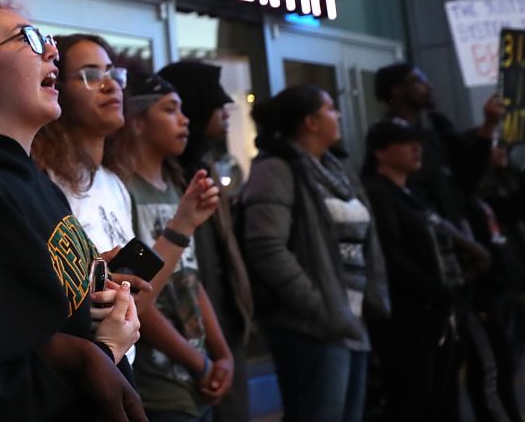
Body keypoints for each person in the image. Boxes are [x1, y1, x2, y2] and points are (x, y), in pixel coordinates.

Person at [0, 3, 145, 422]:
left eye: (49, 40)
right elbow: (6, 383)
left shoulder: (30, 176)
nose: (52, 51)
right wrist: (107, 349)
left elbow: (56, 320)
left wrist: (102, 294)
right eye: (30, 38)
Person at [33, 36, 219, 367]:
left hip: (122, 369)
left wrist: (183, 224)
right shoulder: (44, 180)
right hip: (77, 374)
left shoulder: (114, 184)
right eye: (90, 74)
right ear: (57, 87)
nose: (110, 85)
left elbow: (139, 302)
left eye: (113, 74)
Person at [239, 85, 389, 422]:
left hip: (351, 318)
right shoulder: (275, 169)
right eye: (331, 109)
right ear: (310, 122)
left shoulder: (338, 169)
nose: (337, 115)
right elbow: (266, 247)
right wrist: (320, 307)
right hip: (310, 324)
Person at [374, 62, 512, 422]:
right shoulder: (387, 182)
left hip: (458, 272)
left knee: (463, 374)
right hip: (433, 283)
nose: (428, 85)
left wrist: (487, 129)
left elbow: (461, 187)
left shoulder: (433, 131)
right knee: (439, 384)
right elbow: (405, 236)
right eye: (416, 81)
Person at [106, 73, 234, 422]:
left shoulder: (174, 187)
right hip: (158, 380)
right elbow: (136, 293)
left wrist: (222, 353)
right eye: (170, 110)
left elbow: (188, 275)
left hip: (196, 375)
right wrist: (201, 363)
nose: (185, 119)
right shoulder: (122, 190)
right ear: (137, 123)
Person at [155, 61, 252, 422]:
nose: (226, 112)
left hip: (222, 322)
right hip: (183, 342)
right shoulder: (163, 177)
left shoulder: (204, 168)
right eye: (216, 103)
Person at [360, 119, 461, 421]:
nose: (417, 149)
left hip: (429, 312)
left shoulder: (409, 194)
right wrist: (438, 291)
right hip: (405, 318)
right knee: (414, 400)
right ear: (381, 152)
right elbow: (390, 257)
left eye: (417, 141)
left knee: (438, 397)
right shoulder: (379, 194)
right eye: (406, 142)